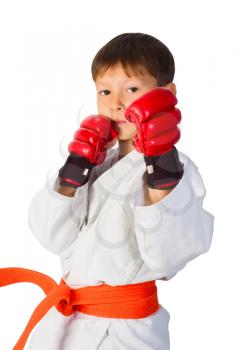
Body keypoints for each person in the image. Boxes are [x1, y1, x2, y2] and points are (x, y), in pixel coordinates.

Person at [0, 33, 215, 350]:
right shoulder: (96, 163)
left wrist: (161, 161)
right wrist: (75, 166)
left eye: (131, 89)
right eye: (105, 91)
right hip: (70, 321)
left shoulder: (178, 168)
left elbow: (170, 255)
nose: (116, 103)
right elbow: (50, 235)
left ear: (167, 93)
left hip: (125, 331)